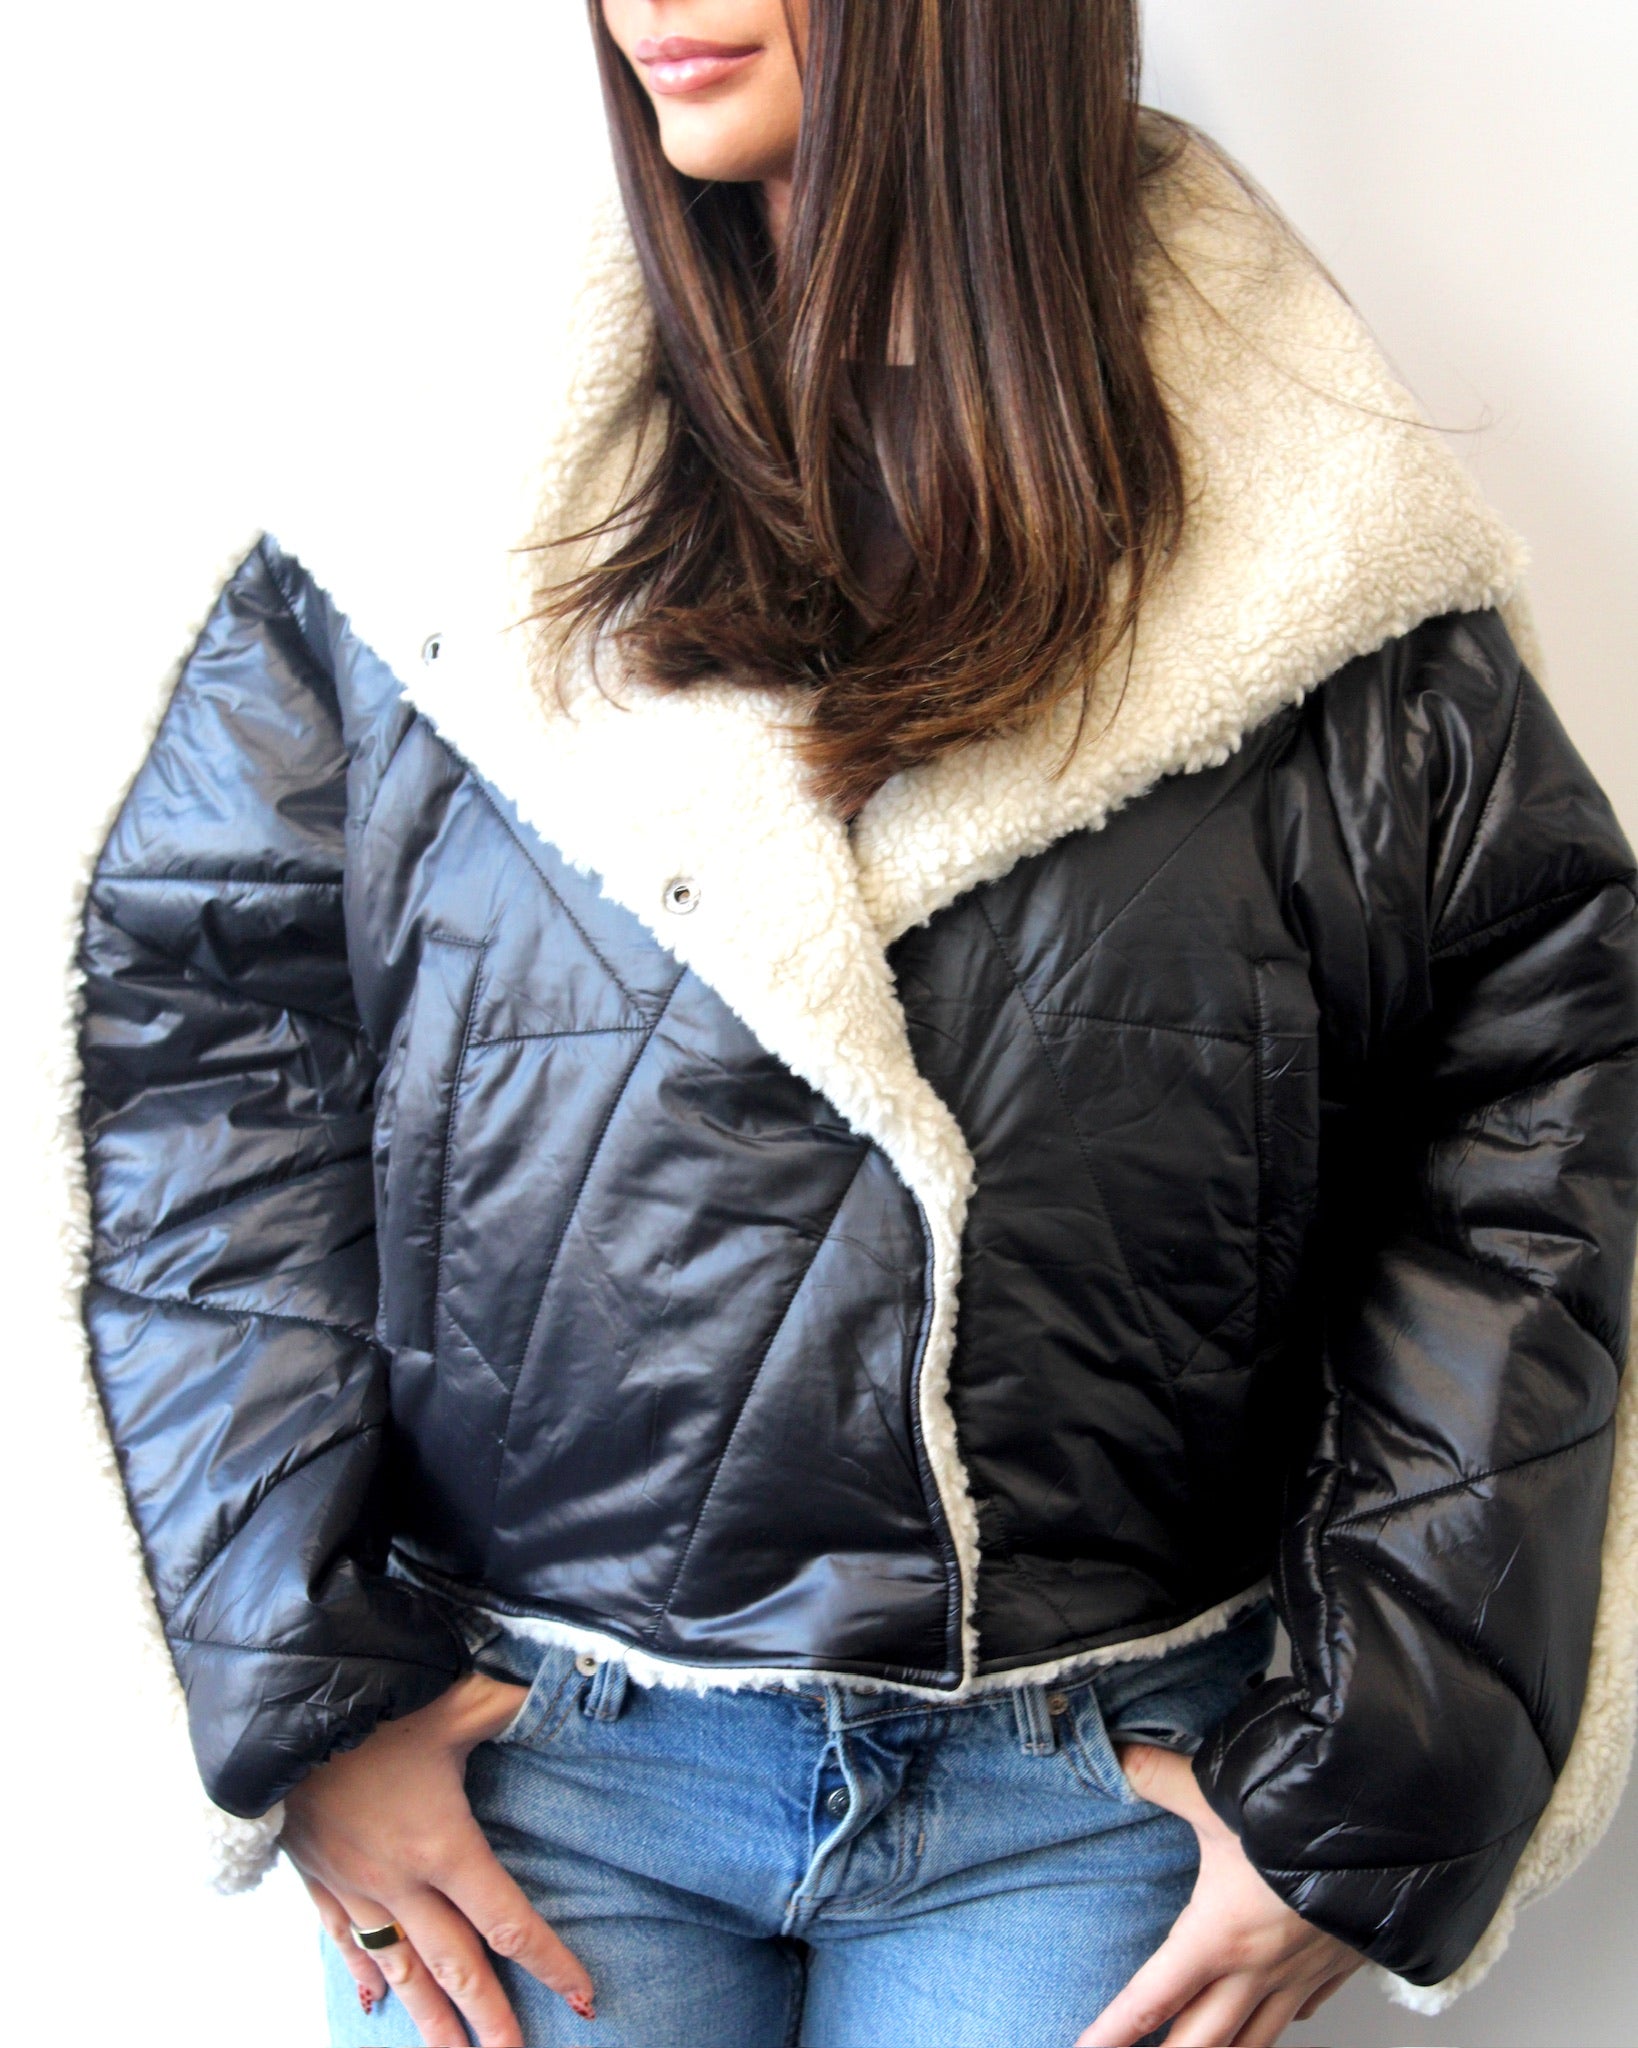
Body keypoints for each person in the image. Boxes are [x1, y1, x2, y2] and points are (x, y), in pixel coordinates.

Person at [69, 3, 1638, 2045]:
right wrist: (304, 1693)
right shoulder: (430, 499)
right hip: (525, 1764)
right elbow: (201, 1073)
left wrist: (1377, 1774)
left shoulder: (1320, 541)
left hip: (1098, 1783)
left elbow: (1530, 1137)